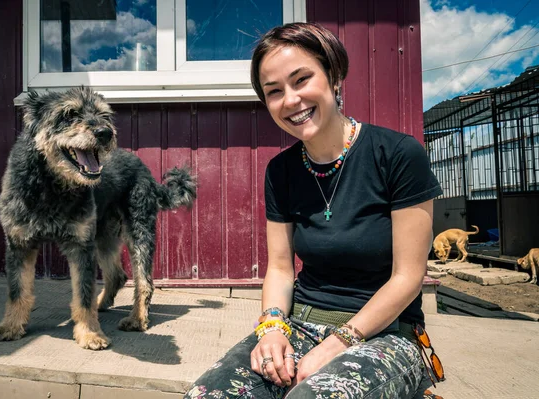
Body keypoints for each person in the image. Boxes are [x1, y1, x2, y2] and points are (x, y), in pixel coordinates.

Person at [184, 22, 443, 399]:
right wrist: (272, 327)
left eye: (301, 79)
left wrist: (339, 343)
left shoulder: (398, 155)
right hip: (300, 325)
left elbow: (408, 276)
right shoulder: (281, 171)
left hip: (386, 334)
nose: (290, 100)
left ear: (334, 76)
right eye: (274, 92)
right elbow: (279, 267)